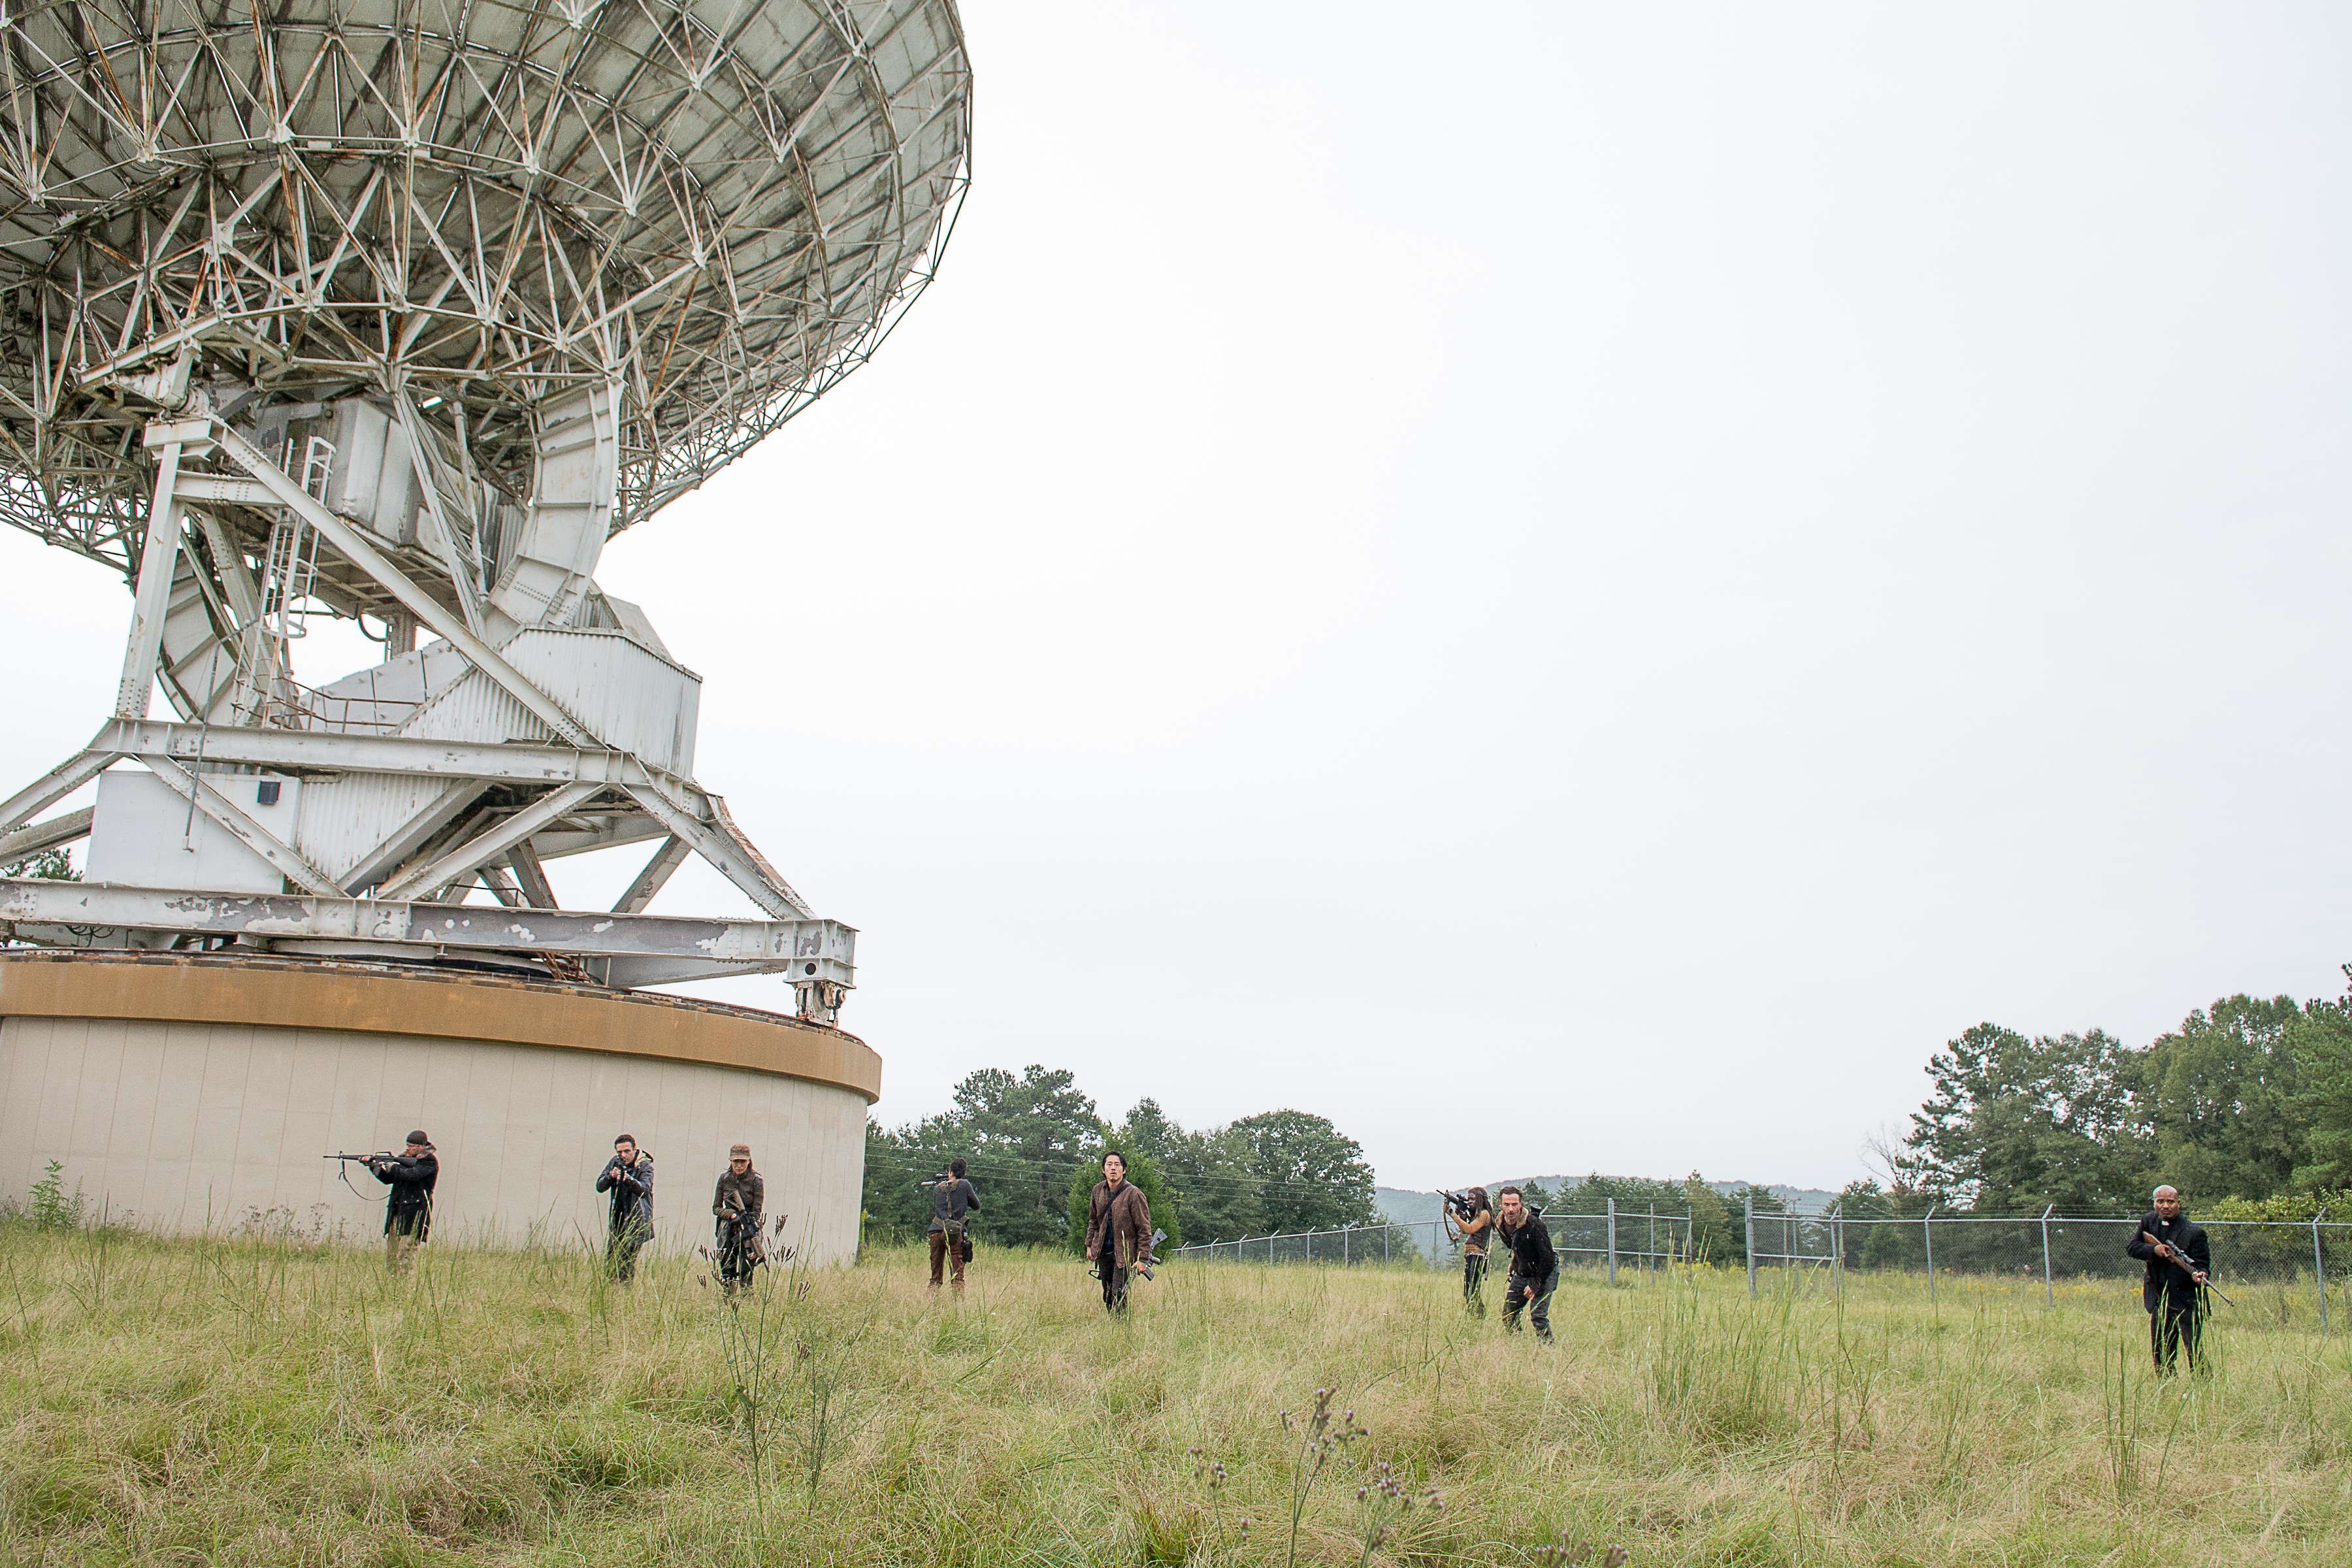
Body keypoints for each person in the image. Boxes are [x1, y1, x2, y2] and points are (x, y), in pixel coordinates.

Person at [2127, 1184, 2212, 1373]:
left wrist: (2201, 1275)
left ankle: (2204, 1388)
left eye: (2170, 1202)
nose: (2166, 1206)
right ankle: (2166, 1390)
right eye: (2161, 1201)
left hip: (2186, 1301)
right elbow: (2133, 1248)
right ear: (2154, 1204)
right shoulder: (2148, 1222)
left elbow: (2203, 1266)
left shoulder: (2194, 1232)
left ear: (2178, 1204)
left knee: (2194, 1351)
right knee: (2161, 1353)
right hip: (2159, 1298)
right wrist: (2154, 1250)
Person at [1084, 1150, 1154, 1313]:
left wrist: (1143, 1258)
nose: (1113, 1168)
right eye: (1109, 1165)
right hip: (1104, 1251)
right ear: (1103, 1170)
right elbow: (1093, 1220)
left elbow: (1144, 1229)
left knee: (1118, 1292)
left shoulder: (1134, 1194)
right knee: (1107, 1293)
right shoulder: (1097, 1191)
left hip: (1125, 1253)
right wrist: (1089, 1245)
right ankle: (1114, 1325)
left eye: (1117, 1165)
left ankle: (1121, 1325)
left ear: (1124, 1170)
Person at [368, 1131, 437, 1275]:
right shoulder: (403, 1160)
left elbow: (413, 1175)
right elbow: (388, 1179)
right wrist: (374, 1167)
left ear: (420, 1147)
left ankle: (406, 1290)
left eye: (411, 1146)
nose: (408, 1148)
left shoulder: (428, 1161)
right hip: (397, 1214)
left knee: (405, 1257)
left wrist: (393, 1166)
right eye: (407, 1145)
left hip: (413, 1216)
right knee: (392, 1258)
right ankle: (393, 1289)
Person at [1494, 1185, 1557, 1341]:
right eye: (1507, 1205)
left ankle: (1548, 1349)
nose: (1511, 1209)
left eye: (1515, 1204)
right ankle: (1519, 1345)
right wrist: (1516, 1262)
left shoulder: (1534, 1225)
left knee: (1537, 1315)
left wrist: (1536, 1284)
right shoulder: (1500, 1223)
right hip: (1523, 1271)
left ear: (1521, 1204)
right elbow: (1518, 1246)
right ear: (1500, 1205)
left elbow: (1548, 1259)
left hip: (1546, 1271)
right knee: (1509, 1313)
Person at [595, 1134, 655, 1282]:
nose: (623, 1155)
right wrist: (611, 1176)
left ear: (635, 1149)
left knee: (626, 1265)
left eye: (627, 1151)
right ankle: (611, 1295)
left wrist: (627, 1179)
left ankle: (625, 1296)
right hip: (618, 1221)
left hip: (636, 1222)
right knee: (611, 1264)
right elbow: (599, 1186)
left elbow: (644, 1190)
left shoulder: (645, 1165)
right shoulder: (615, 1162)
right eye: (620, 1152)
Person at [711, 1143, 764, 1295]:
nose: (739, 1166)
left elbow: (757, 1211)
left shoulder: (756, 1181)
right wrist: (731, 1215)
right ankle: (729, 1299)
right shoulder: (724, 1180)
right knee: (727, 1268)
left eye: (743, 1162)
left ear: (749, 1161)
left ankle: (746, 1302)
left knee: (747, 1270)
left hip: (748, 1227)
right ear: (731, 1162)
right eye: (736, 1162)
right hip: (728, 1228)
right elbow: (716, 1208)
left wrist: (750, 1228)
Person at [927, 1156, 980, 1295]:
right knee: (958, 1278)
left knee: (935, 1279)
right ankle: (958, 1307)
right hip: (955, 1233)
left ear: (950, 1171)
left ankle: (929, 1303)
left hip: (936, 1231)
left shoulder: (937, 1189)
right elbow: (976, 1205)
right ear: (964, 1173)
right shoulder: (965, 1185)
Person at [1445, 1187, 1495, 1315]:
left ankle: (1479, 1316)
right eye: (1468, 1199)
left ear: (1480, 1199)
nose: (1470, 1201)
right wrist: (1462, 1216)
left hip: (1477, 1254)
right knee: (1468, 1291)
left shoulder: (1484, 1214)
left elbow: (1469, 1229)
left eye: (1473, 1199)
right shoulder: (1477, 1215)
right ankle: (1475, 1316)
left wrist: (1452, 1213)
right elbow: (1464, 1229)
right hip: (1471, 1254)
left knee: (1473, 1290)